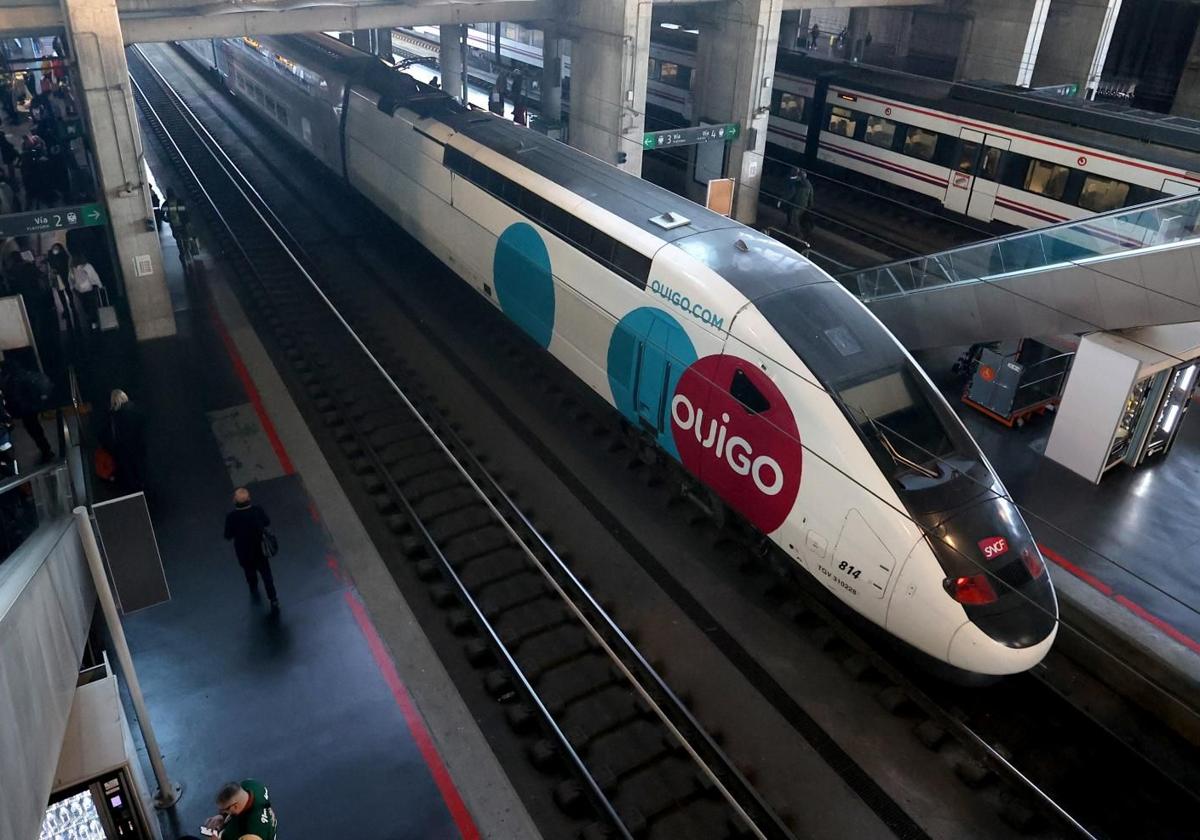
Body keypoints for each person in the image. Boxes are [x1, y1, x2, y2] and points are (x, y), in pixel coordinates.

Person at [224, 487, 277, 609]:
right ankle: (273, 598)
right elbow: (267, 522)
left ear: (234, 501)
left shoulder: (231, 517)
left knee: (249, 571)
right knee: (266, 574)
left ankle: (253, 586)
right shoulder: (257, 510)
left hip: (243, 551)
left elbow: (228, 535)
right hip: (260, 549)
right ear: (249, 499)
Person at [1, 360, 53, 462]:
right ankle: (46, 450)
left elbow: (14, 396)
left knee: (34, 431)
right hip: (30, 408)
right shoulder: (23, 375)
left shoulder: (12, 380)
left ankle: (46, 451)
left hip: (25, 410)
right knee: (36, 430)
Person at [203, 780, 277, 840]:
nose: (221, 811)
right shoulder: (251, 785)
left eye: (224, 809)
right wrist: (222, 816)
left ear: (235, 806)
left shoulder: (252, 832)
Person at [107, 389, 146, 493]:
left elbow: (113, 437)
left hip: (124, 452)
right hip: (139, 447)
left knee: (131, 479)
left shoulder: (113, 416)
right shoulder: (135, 409)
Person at [69, 251, 103, 330]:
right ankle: (94, 323)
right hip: (89, 288)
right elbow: (94, 276)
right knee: (93, 306)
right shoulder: (87, 266)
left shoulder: (72, 268)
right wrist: (99, 285)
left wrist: (72, 288)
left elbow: (71, 280)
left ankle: (88, 321)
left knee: (85, 306)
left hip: (79, 291)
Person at [779, 167, 815, 239]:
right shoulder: (809, 185)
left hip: (795, 204)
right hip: (803, 205)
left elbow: (790, 194)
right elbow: (811, 196)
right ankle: (788, 227)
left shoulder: (797, 184)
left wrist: (781, 200)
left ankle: (799, 235)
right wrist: (810, 206)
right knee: (794, 217)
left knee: (794, 220)